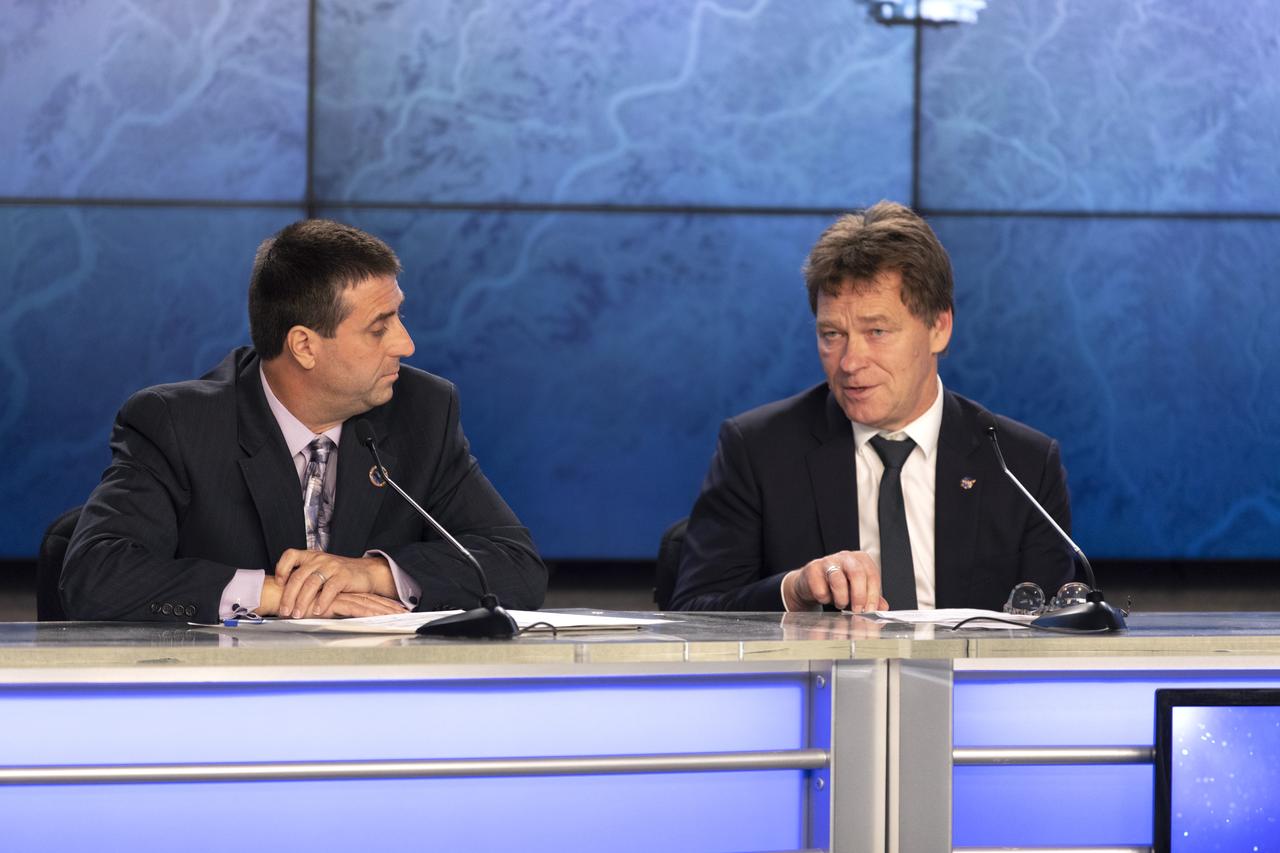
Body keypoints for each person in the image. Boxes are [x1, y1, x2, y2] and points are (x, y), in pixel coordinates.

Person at [62, 219, 546, 622]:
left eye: (399, 318)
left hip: (380, 701)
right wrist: (279, 595)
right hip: (224, 704)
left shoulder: (422, 410)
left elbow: (517, 566)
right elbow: (95, 576)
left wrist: (370, 574)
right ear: (304, 346)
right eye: (380, 327)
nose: (405, 344)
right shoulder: (177, 423)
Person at [671, 201, 1073, 613]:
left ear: (939, 328)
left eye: (876, 331)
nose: (849, 362)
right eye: (832, 334)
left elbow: (1057, 636)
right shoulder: (758, 451)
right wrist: (793, 592)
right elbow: (692, 612)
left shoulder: (1022, 465)